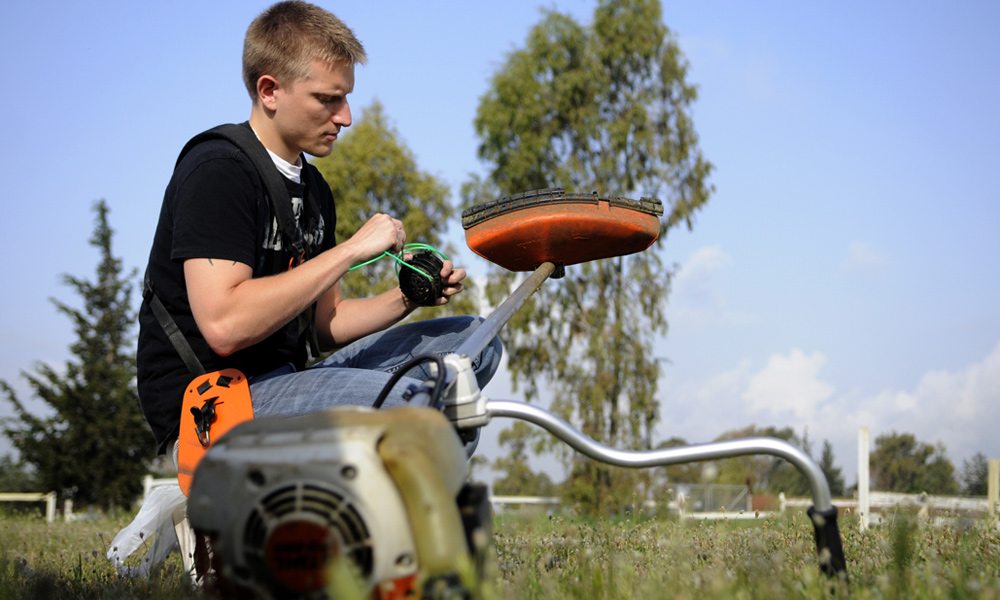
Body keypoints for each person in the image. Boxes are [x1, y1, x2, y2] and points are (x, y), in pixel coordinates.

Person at [137, 0, 501, 459]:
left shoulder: (314, 191)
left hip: (288, 382)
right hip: (214, 406)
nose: (345, 117)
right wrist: (350, 251)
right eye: (328, 99)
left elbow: (327, 325)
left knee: (474, 342)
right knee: (420, 405)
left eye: (346, 98)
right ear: (270, 90)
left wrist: (409, 296)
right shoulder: (218, 170)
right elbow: (225, 325)